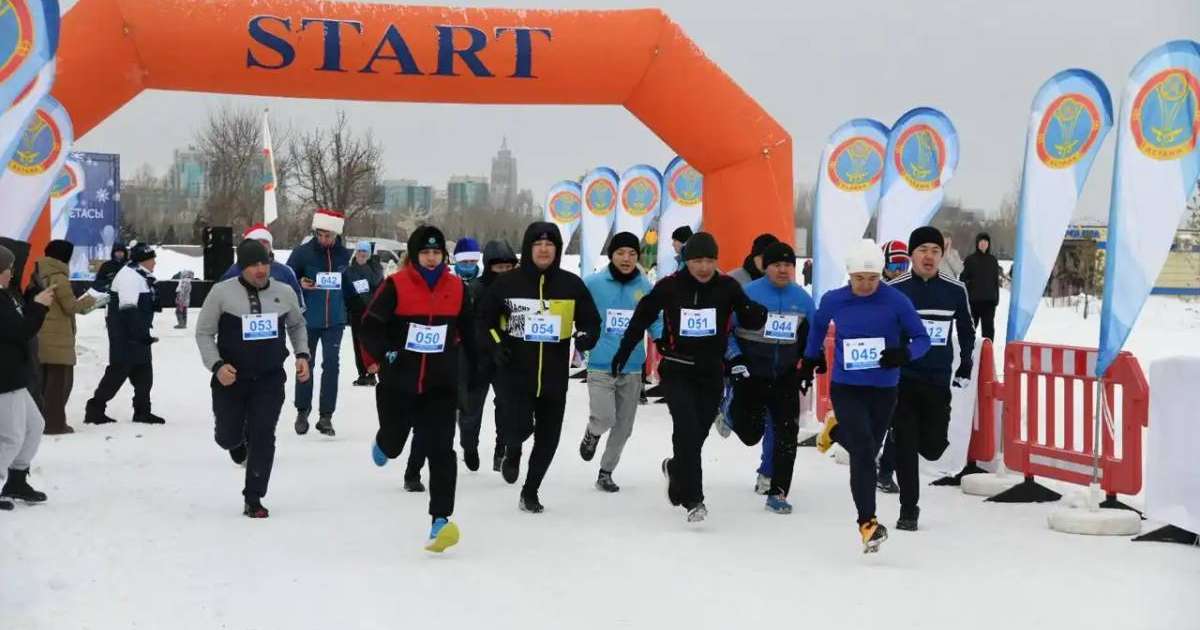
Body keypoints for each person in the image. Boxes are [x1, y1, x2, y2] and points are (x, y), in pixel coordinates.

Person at [611, 232, 767, 522]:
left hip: (710, 373)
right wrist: (623, 352)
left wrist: (756, 313)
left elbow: (749, 317)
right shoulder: (670, 286)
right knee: (686, 428)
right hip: (676, 368)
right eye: (697, 261)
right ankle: (695, 499)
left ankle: (676, 469)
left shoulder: (727, 286)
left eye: (709, 260)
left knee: (696, 433)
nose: (704, 267)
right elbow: (643, 315)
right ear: (687, 261)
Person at [799, 239, 930, 552]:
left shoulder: (896, 301)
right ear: (849, 275)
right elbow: (817, 326)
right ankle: (867, 523)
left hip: (884, 389)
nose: (866, 285)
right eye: (859, 279)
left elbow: (922, 338)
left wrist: (903, 354)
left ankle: (837, 431)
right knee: (864, 451)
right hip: (847, 387)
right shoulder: (835, 300)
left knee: (868, 449)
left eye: (873, 279)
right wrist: (811, 357)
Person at [361, 226, 475, 552]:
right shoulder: (395, 285)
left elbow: (469, 330)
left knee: (441, 450)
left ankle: (440, 521)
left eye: (437, 253)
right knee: (395, 445)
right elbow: (370, 325)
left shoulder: (456, 288)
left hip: (440, 386)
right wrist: (382, 356)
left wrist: (479, 366)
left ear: (444, 256)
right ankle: (384, 441)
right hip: (399, 384)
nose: (431, 258)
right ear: (414, 256)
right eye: (425, 253)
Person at [477, 222, 601, 513]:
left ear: (557, 250)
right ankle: (513, 449)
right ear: (528, 248)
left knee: (549, 437)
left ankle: (530, 491)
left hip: (554, 377)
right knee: (519, 426)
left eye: (550, 245)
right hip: (515, 374)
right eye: (537, 244)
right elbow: (484, 321)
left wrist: (586, 337)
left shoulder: (571, 285)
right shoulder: (508, 284)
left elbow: (590, 321)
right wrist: (496, 345)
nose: (544, 249)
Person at [195, 240, 310, 518]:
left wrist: (302, 354)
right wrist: (217, 366)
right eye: (252, 265)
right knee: (227, 437)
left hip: (269, 379)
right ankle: (236, 443)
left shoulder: (284, 292)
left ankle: (254, 498)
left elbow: (297, 325)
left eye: (264, 263)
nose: (260, 270)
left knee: (263, 435)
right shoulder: (222, 293)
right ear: (241, 267)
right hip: (231, 379)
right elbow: (204, 333)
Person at [886, 226, 975, 531]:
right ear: (911, 254)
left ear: (942, 255)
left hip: (937, 379)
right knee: (908, 445)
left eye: (935, 251)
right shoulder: (896, 289)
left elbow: (966, 329)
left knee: (934, 446)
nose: (929, 256)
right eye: (922, 250)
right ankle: (908, 509)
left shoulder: (954, 290)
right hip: (904, 379)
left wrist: (966, 363)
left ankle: (902, 443)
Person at [725, 241, 814, 514]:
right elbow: (727, 332)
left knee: (788, 434)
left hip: (784, 376)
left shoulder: (803, 300)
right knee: (750, 433)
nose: (783, 269)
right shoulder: (748, 294)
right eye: (777, 265)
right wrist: (736, 359)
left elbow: (811, 339)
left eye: (788, 265)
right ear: (766, 267)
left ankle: (778, 492)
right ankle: (727, 409)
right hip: (751, 374)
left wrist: (809, 364)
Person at [579, 232, 662, 492]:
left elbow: (655, 318)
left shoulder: (645, 287)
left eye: (632, 254)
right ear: (611, 255)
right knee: (605, 418)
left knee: (624, 426)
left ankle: (606, 472)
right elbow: (578, 312)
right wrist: (582, 334)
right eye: (621, 253)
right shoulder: (592, 283)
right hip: (601, 362)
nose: (626, 259)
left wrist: (663, 340)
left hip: (633, 365)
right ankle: (593, 432)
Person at [286, 209, 351, 436]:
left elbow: (350, 284)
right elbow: (286, 279)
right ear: (315, 232)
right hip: (307, 319)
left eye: (329, 236)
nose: (325, 240)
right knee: (306, 364)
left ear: (336, 235)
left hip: (335, 320)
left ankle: (326, 416)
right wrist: (301, 283)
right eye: (321, 235)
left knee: (331, 365)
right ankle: (302, 411)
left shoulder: (345, 255)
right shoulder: (302, 253)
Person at [85, 243, 164, 425]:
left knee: (144, 374)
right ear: (143, 260)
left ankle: (142, 411)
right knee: (117, 373)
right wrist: (140, 334)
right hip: (125, 336)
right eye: (152, 259)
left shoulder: (140, 275)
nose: (154, 263)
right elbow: (128, 308)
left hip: (137, 335)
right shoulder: (129, 276)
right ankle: (95, 409)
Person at [0, 245, 53, 510]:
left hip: (15, 377)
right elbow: (20, 330)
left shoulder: (6, 296)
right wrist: (39, 307)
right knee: (10, 437)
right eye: (8, 269)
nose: (11, 273)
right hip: (4, 380)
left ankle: (16, 480)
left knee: (35, 426)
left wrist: (34, 301)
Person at [458, 239, 518, 472]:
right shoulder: (475, 289)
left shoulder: (519, 289)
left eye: (508, 267)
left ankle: (500, 451)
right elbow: (471, 326)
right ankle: (469, 446)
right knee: (471, 410)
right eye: (498, 267)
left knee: (506, 407)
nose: (503, 272)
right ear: (488, 266)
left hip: (507, 357)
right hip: (477, 356)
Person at [35, 240, 98, 435]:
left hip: (42, 335)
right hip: (58, 339)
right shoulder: (59, 278)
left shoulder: (38, 273)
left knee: (43, 384)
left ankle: (39, 422)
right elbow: (70, 306)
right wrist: (91, 299)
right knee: (59, 384)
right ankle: (54, 424)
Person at [875, 239, 911, 493]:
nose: (899, 269)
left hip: (900, 366)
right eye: (895, 263)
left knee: (899, 422)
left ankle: (885, 472)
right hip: (872, 367)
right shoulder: (869, 286)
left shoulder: (907, 291)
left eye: (904, 263)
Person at [220, 224, 305, 312]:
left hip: (277, 322)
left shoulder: (285, 271)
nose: (262, 245)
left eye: (265, 241)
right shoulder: (235, 271)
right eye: (257, 242)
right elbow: (220, 300)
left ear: (270, 246)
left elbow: (298, 303)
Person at [343, 241, 384, 387]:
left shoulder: (376, 267)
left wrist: (364, 266)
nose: (362, 254)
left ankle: (372, 372)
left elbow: (375, 282)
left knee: (370, 342)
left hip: (373, 313)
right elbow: (346, 288)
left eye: (365, 252)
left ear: (369, 254)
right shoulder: (350, 269)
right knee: (357, 342)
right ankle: (362, 373)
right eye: (360, 251)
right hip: (356, 312)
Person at [960, 232, 1002, 341]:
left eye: (986, 242)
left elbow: (995, 281)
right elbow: (962, 278)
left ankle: (987, 351)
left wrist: (996, 298)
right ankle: (967, 352)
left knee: (988, 330)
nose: (983, 244)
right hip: (973, 301)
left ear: (988, 244)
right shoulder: (970, 260)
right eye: (981, 242)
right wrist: (970, 287)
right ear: (977, 244)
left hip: (989, 302)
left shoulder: (993, 260)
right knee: (970, 328)